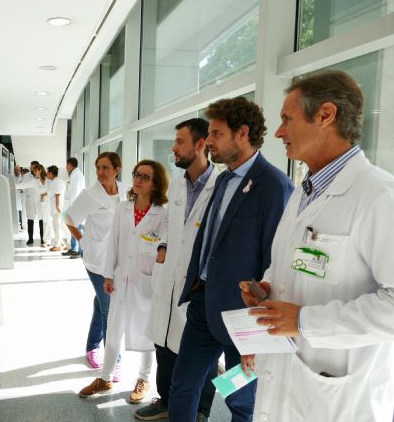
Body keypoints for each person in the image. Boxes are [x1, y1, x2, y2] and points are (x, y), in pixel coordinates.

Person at [239, 71, 394, 421]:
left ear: (325, 115)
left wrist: (306, 322)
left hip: (340, 396)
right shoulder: (305, 192)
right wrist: (269, 287)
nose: (278, 132)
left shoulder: (380, 197)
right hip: (287, 377)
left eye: (286, 119)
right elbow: (306, 261)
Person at [168, 97, 293, 422]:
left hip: (242, 313)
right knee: (182, 387)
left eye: (217, 134)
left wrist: (257, 329)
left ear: (243, 133)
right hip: (203, 301)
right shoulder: (222, 179)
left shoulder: (274, 186)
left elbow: (274, 261)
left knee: (240, 398)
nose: (208, 142)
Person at [136, 119, 219, 421]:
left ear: (200, 145)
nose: (173, 147)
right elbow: (172, 222)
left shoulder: (219, 186)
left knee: (202, 356)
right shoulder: (179, 181)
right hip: (169, 276)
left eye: (180, 141)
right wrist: (161, 248)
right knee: (163, 342)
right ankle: (166, 399)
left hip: (198, 285)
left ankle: (200, 410)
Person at [79, 160, 168, 405]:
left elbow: (164, 247)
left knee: (146, 332)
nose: (137, 180)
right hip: (121, 277)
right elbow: (114, 244)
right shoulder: (123, 208)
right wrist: (108, 274)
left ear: (155, 183)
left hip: (146, 280)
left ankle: (143, 379)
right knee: (114, 329)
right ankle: (105, 377)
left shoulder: (163, 212)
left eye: (145, 177)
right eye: (136, 175)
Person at [66, 152, 127, 374]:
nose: (100, 173)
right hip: (97, 259)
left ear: (116, 169)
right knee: (109, 308)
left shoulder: (126, 190)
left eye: (105, 168)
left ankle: (92, 346)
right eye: (98, 168)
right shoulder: (89, 194)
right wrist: (84, 242)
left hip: (119, 258)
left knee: (101, 303)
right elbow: (69, 219)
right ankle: (114, 361)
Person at [63, 157, 86, 257]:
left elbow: (75, 192)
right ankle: (74, 249)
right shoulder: (74, 174)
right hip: (74, 205)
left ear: (69, 164)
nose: (66, 167)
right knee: (74, 227)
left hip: (76, 206)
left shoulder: (76, 175)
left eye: (66, 165)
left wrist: (72, 208)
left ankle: (80, 251)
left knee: (78, 228)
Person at [46, 165, 66, 251]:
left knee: (56, 226)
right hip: (56, 207)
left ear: (51, 173)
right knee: (58, 225)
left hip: (57, 207)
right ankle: (60, 242)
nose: (46, 174)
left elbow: (58, 194)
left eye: (47, 172)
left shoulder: (57, 182)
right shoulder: (56, 181)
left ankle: (58, 245)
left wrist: (57, 206)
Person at [34, 164, 51, 247]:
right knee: (45, 222)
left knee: (52, 222)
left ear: (40, 170)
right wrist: (12, 186)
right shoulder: (35, 181)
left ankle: (52, 241)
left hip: (51, 202)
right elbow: (24, 184)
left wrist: (44, 193)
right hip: (43, 203)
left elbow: (52, 189)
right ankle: (46, 240)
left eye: (35, 171)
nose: (34, 172)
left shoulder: (48, 179)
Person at [13, 165, 24, 231]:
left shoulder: (22, 178)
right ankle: (15, 226)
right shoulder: (11, 177)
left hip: (20, 197)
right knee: (14, 211)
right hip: (14, 196)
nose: (16, 171)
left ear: (20, 170)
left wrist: (22, 189)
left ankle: (20, 226)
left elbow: (24, 187)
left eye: (17, 170)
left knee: (20, 211)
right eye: (15, 170)